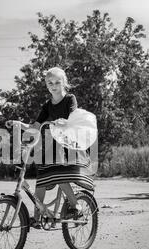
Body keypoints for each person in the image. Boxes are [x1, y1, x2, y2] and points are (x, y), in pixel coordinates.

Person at [7, 67, 95, 229]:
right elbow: (36, 126)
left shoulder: (70, 99)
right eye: (49, 83)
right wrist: (20, 125)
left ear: (64, 83)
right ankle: (37, 217)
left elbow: (73, 117)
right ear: (46, 85)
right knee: (42, 178)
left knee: (58, 175)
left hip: (69, 145)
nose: (53, 85)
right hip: (53, 146)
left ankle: (76, 206)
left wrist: (63, 121)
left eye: (57, 82)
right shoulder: (47, 105)